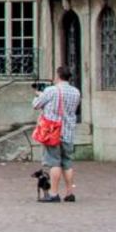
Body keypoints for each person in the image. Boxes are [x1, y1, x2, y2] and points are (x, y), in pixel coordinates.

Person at [35, 66, 82, 203]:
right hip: (68, 131)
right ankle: (70, 192)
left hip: (53, 132)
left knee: (54, 162)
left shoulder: (51, 90)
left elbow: (36, 105)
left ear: (58, 76)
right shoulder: (76, 92)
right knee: (67, 163)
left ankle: (54, 193)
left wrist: (38, 95)